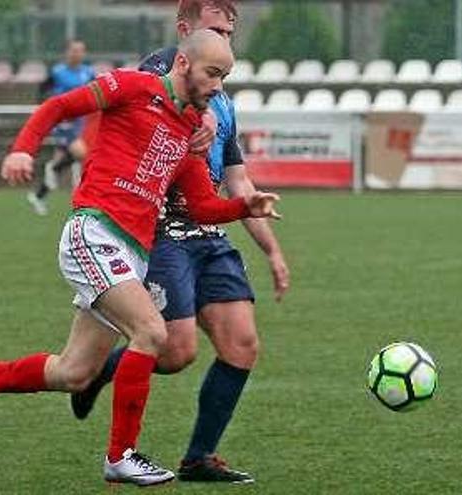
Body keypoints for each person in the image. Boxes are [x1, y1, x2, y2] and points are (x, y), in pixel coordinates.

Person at [0, 29, 281, 487]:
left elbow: (203, 206)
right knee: (151, 331)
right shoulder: (131, 86)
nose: (218, 86)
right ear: (183, 65)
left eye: (224, 77)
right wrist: (23, 149)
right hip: (95, 230)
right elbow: (57, 107)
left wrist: (246, 205)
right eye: (212, 73)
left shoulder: (188, 133)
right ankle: (120, 455)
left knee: (73, 372)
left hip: (134, 252)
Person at [69, 0, 290, 484]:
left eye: (230, 33)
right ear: (186, 31)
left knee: (243, 343)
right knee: (175, 351)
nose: (223, 42)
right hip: (162, 231)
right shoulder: (166, 66)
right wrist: (194, 114)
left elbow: (238, 183)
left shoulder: (223, 99)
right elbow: (155, 99)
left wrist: (272, 250)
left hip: (209, 232)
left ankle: (200, 457)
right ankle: (100, 370)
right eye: (214, 30)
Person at [26, 39, 95, 215]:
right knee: (81, 153)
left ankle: (39, 196)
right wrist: (48, 111)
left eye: (80, 51)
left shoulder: (88, 73)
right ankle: (82, 193)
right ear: (67, 53)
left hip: (81, 122)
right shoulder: (57, 72)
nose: (77, 54)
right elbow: (42, 92)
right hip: (63, 122)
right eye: (74, 50)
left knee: (67, 160)